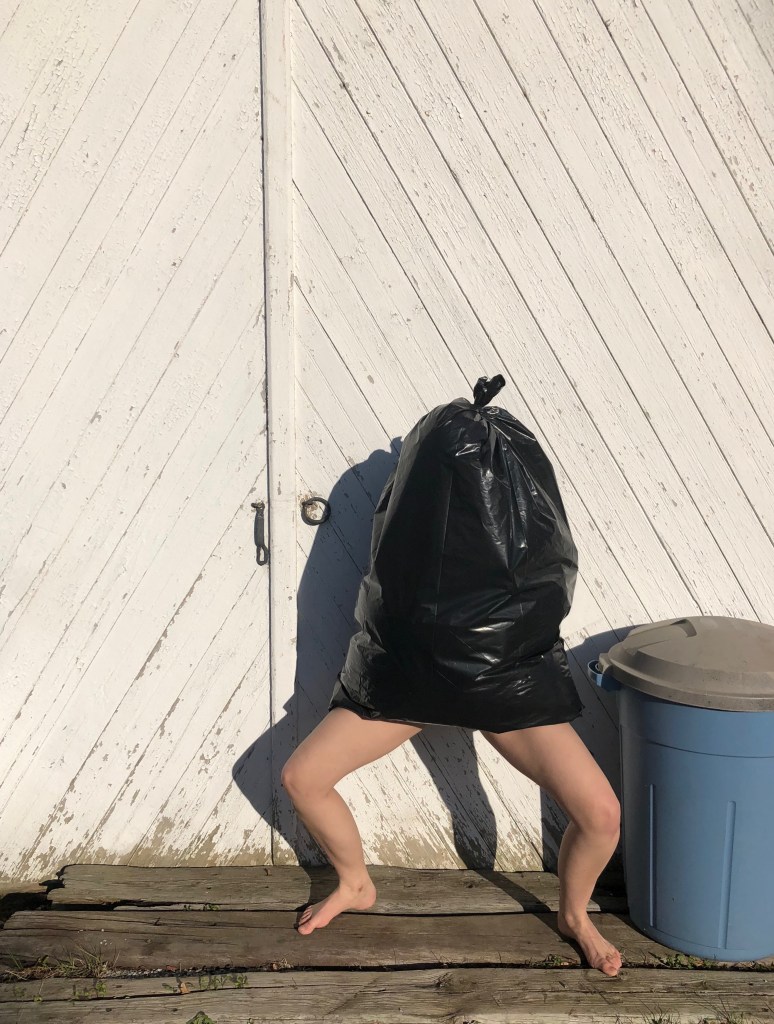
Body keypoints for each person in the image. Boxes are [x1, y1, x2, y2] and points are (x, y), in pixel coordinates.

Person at [280, 707, 623, 977]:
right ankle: (354, 884)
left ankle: (574, 917)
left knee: (601, 817)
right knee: (303, 778)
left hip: (502, 668)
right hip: (413, 669)